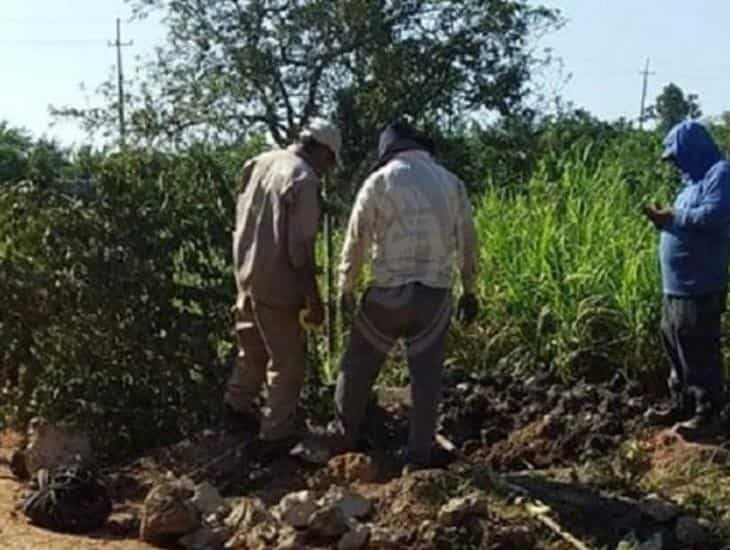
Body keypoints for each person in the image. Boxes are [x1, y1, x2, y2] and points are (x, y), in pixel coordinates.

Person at [331, 121, 480, 469]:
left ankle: (343, 441)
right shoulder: (450, 182)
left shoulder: (379, 181)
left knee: (356, 368)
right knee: (426, 379)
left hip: (387, 295)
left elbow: (356, 240)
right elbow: (468, 242)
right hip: (434, 295)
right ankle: (418, 457)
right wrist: (470, 290)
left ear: (388, 151)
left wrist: (346, 287)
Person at [224, 119, 341, 453]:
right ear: (321, 150)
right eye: (330, 162)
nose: (328, 170)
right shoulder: (303, 179)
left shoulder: (260, 162)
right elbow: (300, 250)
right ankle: (274, 437)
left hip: (246, 277)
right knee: (287, 365)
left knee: (252, 352)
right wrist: (313, 301)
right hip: (277, 286)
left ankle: (235, 409)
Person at [644, 120, 730, 438]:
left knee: (699, 349)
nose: (675, 163)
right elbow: (684, 222)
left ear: (692, 149)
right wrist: (664, 220)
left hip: (701, 284)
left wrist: (673, 217)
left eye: (677, 156)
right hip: (676, 285)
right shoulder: (689, 184)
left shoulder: (720, 174)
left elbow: (715, 215)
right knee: (674, 341)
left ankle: (708, 413)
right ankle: (682, 403)